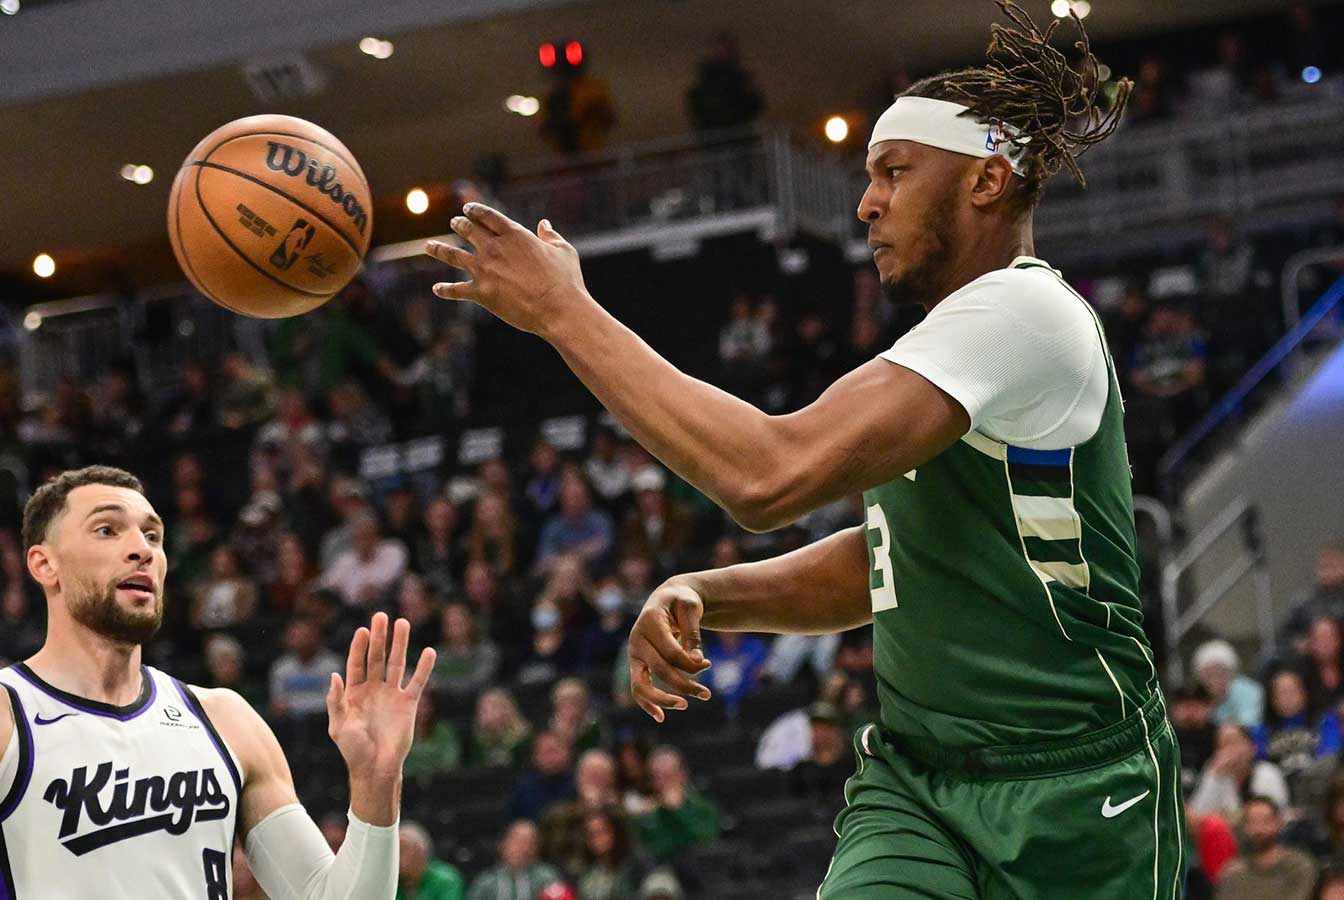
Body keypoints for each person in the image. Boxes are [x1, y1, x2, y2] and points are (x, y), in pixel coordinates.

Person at [424, 2, 1181, 895]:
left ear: (985, 181)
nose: (866, 202)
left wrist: (563, 313)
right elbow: (893, 562)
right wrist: (712, 592)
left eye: (895, 172)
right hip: (916, 785)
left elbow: (766, 476)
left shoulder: (1024, 313)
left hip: (1075, 791)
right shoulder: (948, 348)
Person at [0, 468, 436, 899]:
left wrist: (375, 786)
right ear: (44, 564)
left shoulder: (224, 719)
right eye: (108, 530)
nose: (141, 549)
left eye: (152, 534)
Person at [1213, 796, 1317, 900]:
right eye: (1252, 822)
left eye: (1265, 821)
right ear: (1244, 827)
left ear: (1279, 822)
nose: (1259, 829)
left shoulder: (1298, 867)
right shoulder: (1232, 874)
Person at [468, 820, 562, 900]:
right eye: (518, 841)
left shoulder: (547, 878)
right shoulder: (486, 882)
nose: (525, 848)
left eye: (531, 843)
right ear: (502, 845)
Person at [396, 821, 463, 900]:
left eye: (402, 850)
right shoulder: (393, 881)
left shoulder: (446, 879)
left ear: (420, 853)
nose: (397, 855)